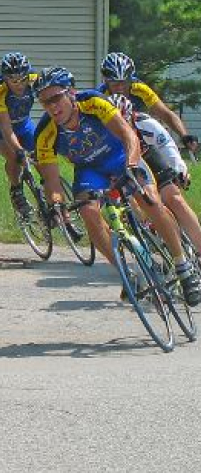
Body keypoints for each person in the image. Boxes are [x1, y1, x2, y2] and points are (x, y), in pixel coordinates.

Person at [32, 66, 201, 305]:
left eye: (56, 97)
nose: (51, 106)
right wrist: (56, 204)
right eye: (44, 102)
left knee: (150, 200)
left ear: (71, 92)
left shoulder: (94, 102)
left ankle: (182, 265)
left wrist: (132, 166)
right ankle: (127, 273)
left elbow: (128, 136)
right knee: (88, 212)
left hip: (122, 156)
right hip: (90, 169)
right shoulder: (45, 134)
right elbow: (52, 181)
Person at [108, 93, 201, 254]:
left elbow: (167, 146)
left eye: (124, 123)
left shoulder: (145, 123)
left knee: (174, 198)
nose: (121, 130)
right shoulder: (102, 133)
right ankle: (156, 238)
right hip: (122, 165)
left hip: (148, 157)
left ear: (131, 117)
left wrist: (180, 169)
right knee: (137, 205)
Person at [97, 52, 198, 155]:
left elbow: (165, 113)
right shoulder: (100, 97)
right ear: (106, 81)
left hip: (140, 133)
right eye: (115, 84)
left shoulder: (139, 88)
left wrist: (184, 135)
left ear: (130, 80)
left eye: (124, 83)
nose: (120, 88)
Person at [0, 52, 39, 217]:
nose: (19, 85)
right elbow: (6, 130)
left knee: (43, 155)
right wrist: (20, 151)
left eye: (22, 79)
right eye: (13, 81)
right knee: (14, 156)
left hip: (23, 123)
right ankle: (16, 192)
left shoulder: (34, 78)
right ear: (5, 79)